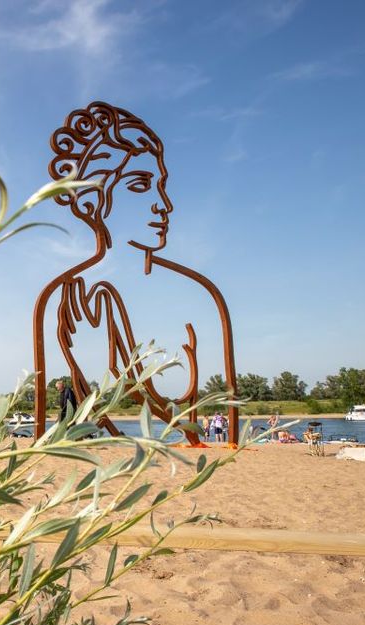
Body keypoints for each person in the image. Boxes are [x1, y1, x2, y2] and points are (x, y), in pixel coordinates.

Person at [32, 102, 239, 445]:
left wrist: (115, 372)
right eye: (141, 186)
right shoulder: (65, 297)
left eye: (162, 186)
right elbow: (98, 415)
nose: (164, 203)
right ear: (92, 203)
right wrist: (93, 364)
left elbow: (206, 405)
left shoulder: (197, 294)